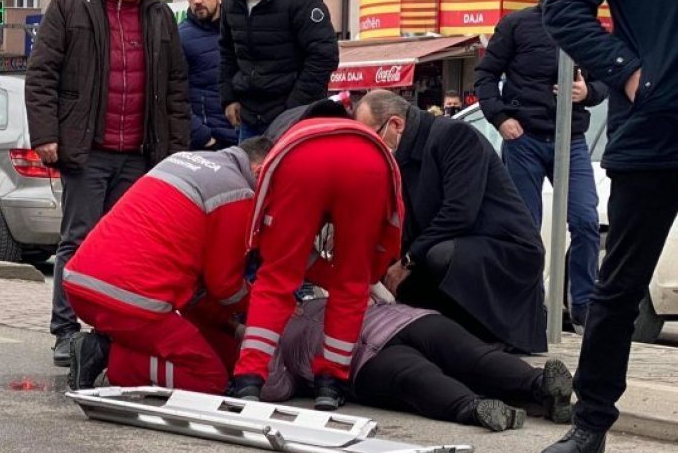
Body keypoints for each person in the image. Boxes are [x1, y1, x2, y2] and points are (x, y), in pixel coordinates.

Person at [534, 0, 678, 453]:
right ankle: (589, 427)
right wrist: (632, 74)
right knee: (619, 287)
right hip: (655, 130)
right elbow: (563, 5)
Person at [26, 0, 190, 366]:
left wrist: (174, 151)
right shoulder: (69, 5)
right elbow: (42, 74)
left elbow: (176, 87)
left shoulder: (158, 16)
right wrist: (45, 135)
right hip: (87, 150)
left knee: (127, 246)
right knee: (76, 240)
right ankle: (64, 330)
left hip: (139, 152)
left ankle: (110, 331)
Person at [62, 137, 274, 393]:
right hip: (130, 303)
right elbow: (225, 287)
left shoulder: (188, 161)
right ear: (260, 171)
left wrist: (231, 327)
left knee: (227, 355)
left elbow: (198, 294)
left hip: (83, 283)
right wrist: (267, 307)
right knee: (210, 379)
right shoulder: (237, 193)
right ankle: (108, 356)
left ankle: (107, 343)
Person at [228, 117, 405, 411]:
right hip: (368, 164)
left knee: (275, 278)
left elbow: (281, 251)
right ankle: (330, 384)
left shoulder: (289, 136)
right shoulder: (371, 145)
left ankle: (248, 380)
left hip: (300, 156)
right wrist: (371, 273)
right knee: (352, 284)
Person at [354, 89, 548, 354]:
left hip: (503, 249)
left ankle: (479, 335)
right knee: (402, 262)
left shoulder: (455, 136)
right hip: (459, 242)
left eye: (372, 138)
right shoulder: (403, 156)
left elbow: (459, 213)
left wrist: (407, 261)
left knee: (434, 255)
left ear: (396, 124)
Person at [475, 2, 607, 330]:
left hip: (571, 138)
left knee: (586, 221)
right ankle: (528, 305)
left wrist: (587, 91)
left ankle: (583, 305)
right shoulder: (518, 24)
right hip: (525, 137)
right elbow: (485, 75)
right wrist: (501, 118)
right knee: (525, 227)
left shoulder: (590, 29)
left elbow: (606, 80)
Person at [261, 297, 574, 431]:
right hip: (372, 350)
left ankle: (527, 389)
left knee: (467, 360)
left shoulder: (281, 321)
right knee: (421, 374)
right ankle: (529, 393)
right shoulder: (269, 335)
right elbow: (277, 387)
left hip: (391, 329)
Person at [219, 0, 339, 140]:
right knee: (249, 173)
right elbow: (227, 51)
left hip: (293, 118)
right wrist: (228, 98)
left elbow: (323, 56)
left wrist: (294, 109)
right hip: (249, 118)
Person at [179, 0, 237, 150]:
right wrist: (202, 137)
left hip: (246, 138)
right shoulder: (180, 38)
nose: (197, 0)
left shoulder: (239, 30)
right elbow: (173, 95)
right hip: (209, 144)